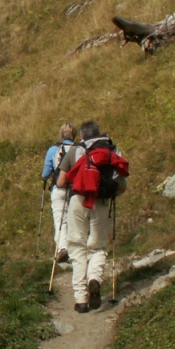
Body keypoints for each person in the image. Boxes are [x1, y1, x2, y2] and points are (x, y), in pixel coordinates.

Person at [56, 120, 129, 313]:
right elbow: (121, 185)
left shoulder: (76, 151)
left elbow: (61, 182)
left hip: (78, 200)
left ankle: (81, 300)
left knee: (77, 247)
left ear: (81, 135)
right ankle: (94, 279)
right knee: (98, 246)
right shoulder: (112, 151)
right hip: (101, 203)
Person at [41, 122, 77, 264]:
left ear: (61, 134)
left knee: (60, 220)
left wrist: (44, 178)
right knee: (74, 219)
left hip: (58, 188)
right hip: (75, 189)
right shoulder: (79, 149)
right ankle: (76, 249)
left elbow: (46, 173)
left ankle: (63, 248)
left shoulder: (53, 150)